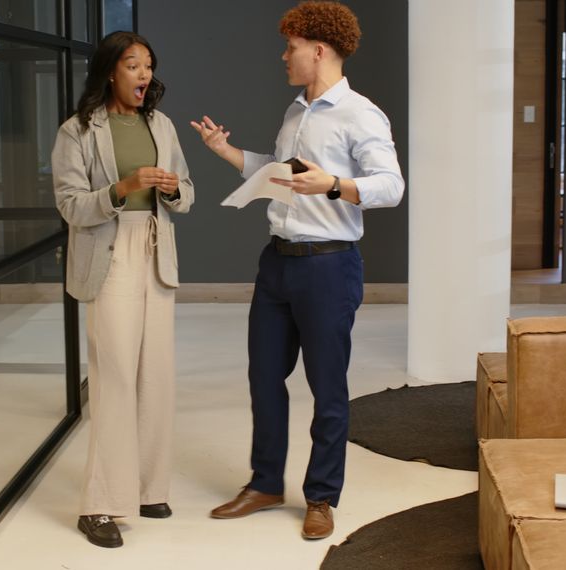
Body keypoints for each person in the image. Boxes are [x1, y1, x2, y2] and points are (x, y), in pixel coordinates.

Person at [191, 1, 404, 540]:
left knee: (327, 388)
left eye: (290, 47)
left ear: (319, 50)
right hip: (278, 263)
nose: (283, 55)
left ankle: (321, 496)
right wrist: (227, 152)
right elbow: (279, 173)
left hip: (329, 267)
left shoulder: (361, 114)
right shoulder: (295, 113)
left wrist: (333, 184)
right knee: (264, 378)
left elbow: (391, 187)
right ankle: (265, 483)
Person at [52, 31, 194, 548]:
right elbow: (70, 205)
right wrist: (123, 188)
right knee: (113, 376)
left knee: (155, 375)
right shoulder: (77, 132)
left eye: (149, 66)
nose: (144, 75)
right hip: (109, 257)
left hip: (155, 253)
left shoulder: (161, 124)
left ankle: (148, 488)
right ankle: (100, 505)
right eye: (133, 65)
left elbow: (187, 192)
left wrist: (173, 187)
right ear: (111, 71)